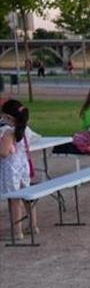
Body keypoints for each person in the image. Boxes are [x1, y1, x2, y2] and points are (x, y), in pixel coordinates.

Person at [0, 100, 38, 239]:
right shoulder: (25, 129)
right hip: (23, 166)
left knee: (14, 199)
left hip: (11, 169)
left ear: (9, 118)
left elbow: (4, 152)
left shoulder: (8, 132)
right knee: (27, 196)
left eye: (3, 116)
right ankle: (33, 225)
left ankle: (17, 231)